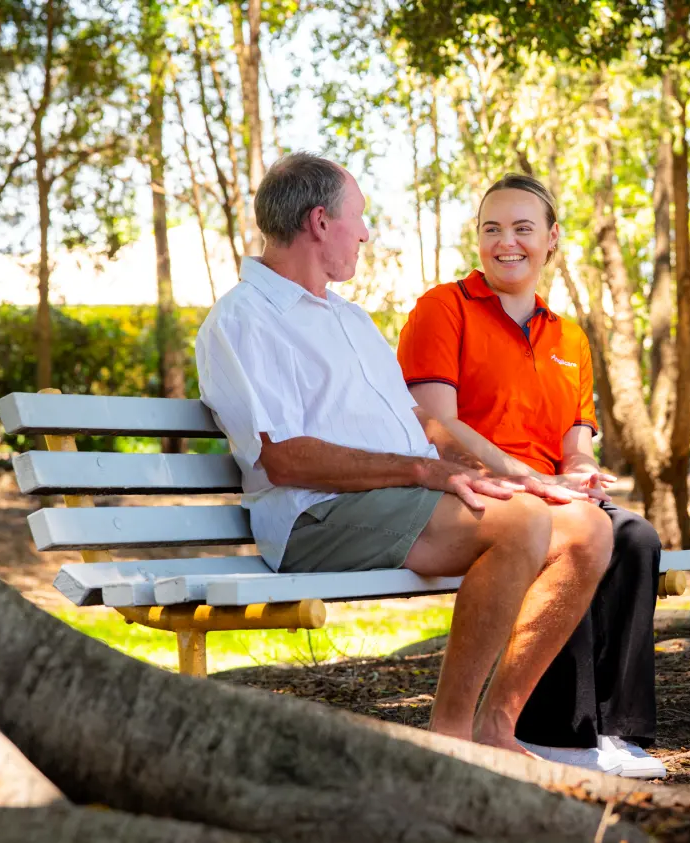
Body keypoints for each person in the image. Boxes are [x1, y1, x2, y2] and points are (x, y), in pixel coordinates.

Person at [194, 153, 614, 756]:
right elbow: (283, 460)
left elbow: (425, 425)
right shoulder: (244, 320)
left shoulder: (348, 318)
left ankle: (496, 728)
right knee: (521, 526)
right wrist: (425, 472)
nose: (364, 232)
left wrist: (525, 476)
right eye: (358, 217)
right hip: (316, 516)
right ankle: (448, 744)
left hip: (397, 499)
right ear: (319, 222)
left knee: (588, 530)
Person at [396, 173, 668, 779]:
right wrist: (530, 479)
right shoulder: (444, 308)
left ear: (552, 241)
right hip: (479, 490)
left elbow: (577, 432)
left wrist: (581, 468)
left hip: (547, 487)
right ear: (478, 240)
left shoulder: (569, 335)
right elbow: (434, 426)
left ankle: (615, 731)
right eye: (492, 229)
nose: (506, 242)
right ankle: (553, 732)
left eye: (523, 229)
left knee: (637, 536)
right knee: (561, 528)